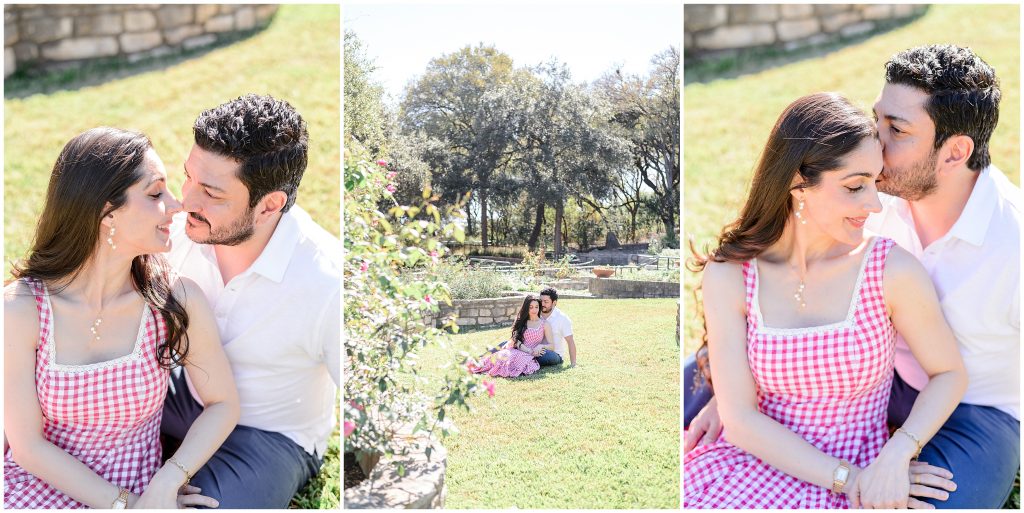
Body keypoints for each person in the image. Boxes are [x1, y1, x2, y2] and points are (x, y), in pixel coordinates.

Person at [686, 45, 1021, 509]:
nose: (875, 142)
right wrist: (725, 394)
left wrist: (896, 452)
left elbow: (950, 373)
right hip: (860, 374)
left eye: (896, 130)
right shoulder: (877, 185)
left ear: (954, 152)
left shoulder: (1013, 242)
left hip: (971, 407)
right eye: (877, 118)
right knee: (692, 391)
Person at [4, 127, 239, 509]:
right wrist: (125, 506)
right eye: (155, 193)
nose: (176, 205)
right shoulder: (21, 309)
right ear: (106, 213)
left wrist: (168, 480)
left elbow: (224, 403)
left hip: (141, 487)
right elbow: (28, 446)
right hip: (40, 488)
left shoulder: (175, 300)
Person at [161, 94, 341, 508]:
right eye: (187, 177)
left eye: (211, 192)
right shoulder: (179, 227)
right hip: (177, 392)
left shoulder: (327, 282)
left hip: (267, 434)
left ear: (270, 205)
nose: (186, 200)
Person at [470, 296, 553, 378]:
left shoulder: (544, 324)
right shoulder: (521, 321)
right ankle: (479, 363)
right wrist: (529, 351)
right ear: (526, 308)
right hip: (519, 349)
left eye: (536, 307)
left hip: (531, 354)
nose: (534, 310)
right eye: (531, 307)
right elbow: (515, 340)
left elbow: (552, 346)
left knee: (521, 361)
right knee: (500, 358)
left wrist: (541, 346)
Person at [538, 287, 577, 368]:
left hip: (554, 354)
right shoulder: (535, 313)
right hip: (534, 349)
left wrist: (573, 363)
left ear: (554, 302)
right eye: (541, 301)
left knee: (544, 355)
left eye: (546, 302)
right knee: (505, 344)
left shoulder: (562, 318)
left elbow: (570, 341)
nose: (542, 304)